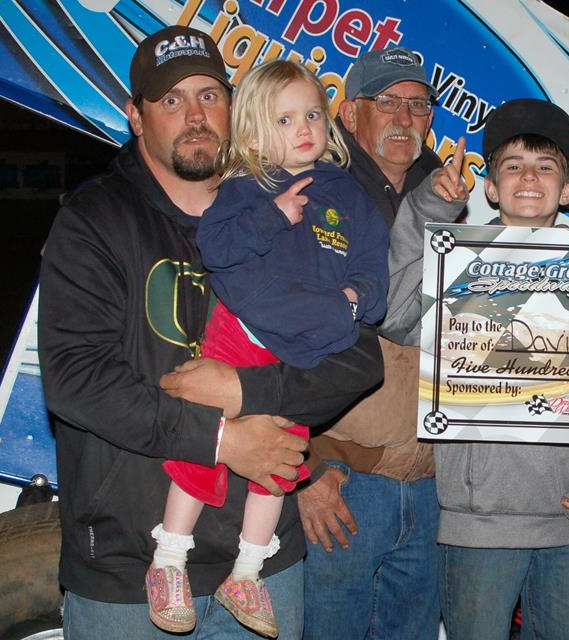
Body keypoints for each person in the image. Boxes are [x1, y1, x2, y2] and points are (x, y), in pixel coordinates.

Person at [39, 25, 384, 638]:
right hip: (127, 571)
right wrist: (222, 441)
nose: (195, 114)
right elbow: (76, 381)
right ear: (136, 117)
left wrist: (248, 393)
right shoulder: (95, 220)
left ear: (234, 109)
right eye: (171, 99)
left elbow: (359, 360)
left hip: (264, 569)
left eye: (209, 95)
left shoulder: (303, 205)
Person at [158, 45, 467, 639]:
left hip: (426, 482)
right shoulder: (267, 185)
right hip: (344, 481)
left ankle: (243, 573)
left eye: (418, 104)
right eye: (387, 101)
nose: (404, 117)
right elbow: (231, 267)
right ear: (351, 115)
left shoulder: (436, 196)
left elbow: (385, 306)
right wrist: (314, 470)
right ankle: (171, 555)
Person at [146, 59, 388, 637]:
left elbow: (373, 273)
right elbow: (216, 247)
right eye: (285, 119)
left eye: (312, 115)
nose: (304, 128)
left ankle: (248, 573)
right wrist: (272, 218)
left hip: (304, 350)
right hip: (241, 330)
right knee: (204, 446)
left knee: (280, 462)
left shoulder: (348, 195)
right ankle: (169, 558)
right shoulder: (244, 187)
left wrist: (353, 301)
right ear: (254, 133)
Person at [434, 99, 569, 640]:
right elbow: (393, 319)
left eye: (545, 166)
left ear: (568, 190)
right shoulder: (452, 263)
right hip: (479, 523)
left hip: (566, 521)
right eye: (513, 165)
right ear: (490, 187)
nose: (529, 177)